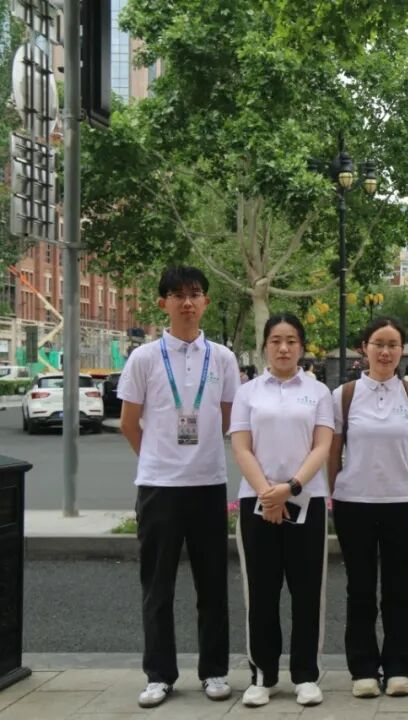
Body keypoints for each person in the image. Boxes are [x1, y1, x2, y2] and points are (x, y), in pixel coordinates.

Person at [118, 266, 240, 709]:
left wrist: (197, 452)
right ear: (163, 303)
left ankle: (214, 671)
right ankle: (159, 675)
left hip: (208, 484)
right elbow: (129, 423)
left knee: (213, 586)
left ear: (206, 301)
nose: (187, 302)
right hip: (159, 488)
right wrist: (158, 459)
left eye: (194, 294)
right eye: (177, 295)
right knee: (157, 587)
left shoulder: (222, 358)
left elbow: (229, 417)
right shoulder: (144, 358)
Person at [230, 314, 334, 708]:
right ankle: (263, 675)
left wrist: (289, 488)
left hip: (306, 499)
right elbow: (241, 447)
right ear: (265, 347)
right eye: (276, 340)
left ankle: (306, 675)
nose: (284, 348)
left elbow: (322, 446)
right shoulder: (248, 392)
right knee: (261, 592)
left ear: (302, 347)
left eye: (291, 340)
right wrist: (267, 495)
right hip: (256, 501)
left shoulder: (318, 392)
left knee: (307, 592)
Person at [328, 317, 408, 699]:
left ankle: (399, 667)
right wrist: (333, 494)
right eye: (378, 344)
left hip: (401, 504)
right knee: (359, 589)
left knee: (397, 589)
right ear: (365, 348)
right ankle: (363, 669)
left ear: (402, 350)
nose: (386, 352)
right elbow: (333, 452)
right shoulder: (344, 395)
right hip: (354, 504)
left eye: (393, 345)